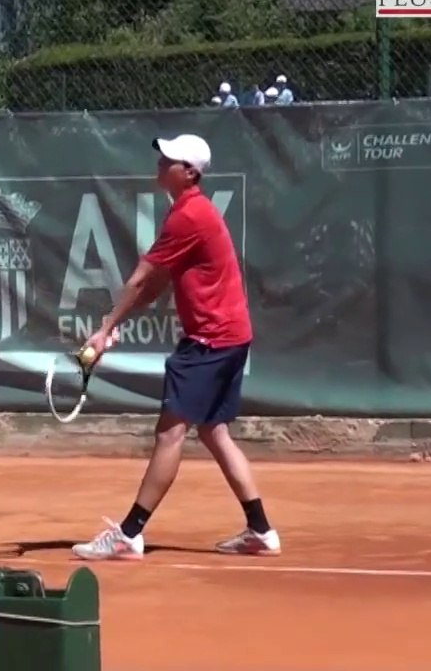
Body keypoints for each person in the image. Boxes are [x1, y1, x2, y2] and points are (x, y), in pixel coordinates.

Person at [72, 134, 279, 560]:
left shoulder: (189, 215)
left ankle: (129, 534)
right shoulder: (192, 212)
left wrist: (103, 328)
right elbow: (159, 285)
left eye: (170, 158)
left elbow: (139, 279)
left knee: (170, 433)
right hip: (232, 335)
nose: (161, 161)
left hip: (209, 339)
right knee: (214, 431)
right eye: (163, 155)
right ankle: (260, 530)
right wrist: (116, 327)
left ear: (190, 173)